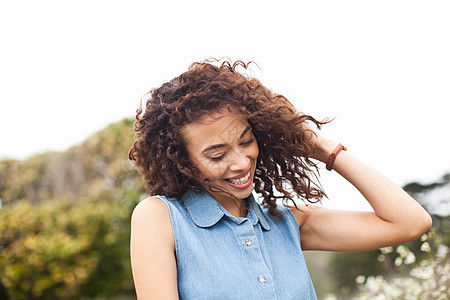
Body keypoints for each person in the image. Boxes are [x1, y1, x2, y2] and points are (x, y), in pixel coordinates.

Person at [128, 59, 432, 299]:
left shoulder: (287, 222)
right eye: (217, 155)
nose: (240, 162)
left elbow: (410, 222)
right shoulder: (160, 219)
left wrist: (323, 147)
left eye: (246, 141)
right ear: (182, 162)